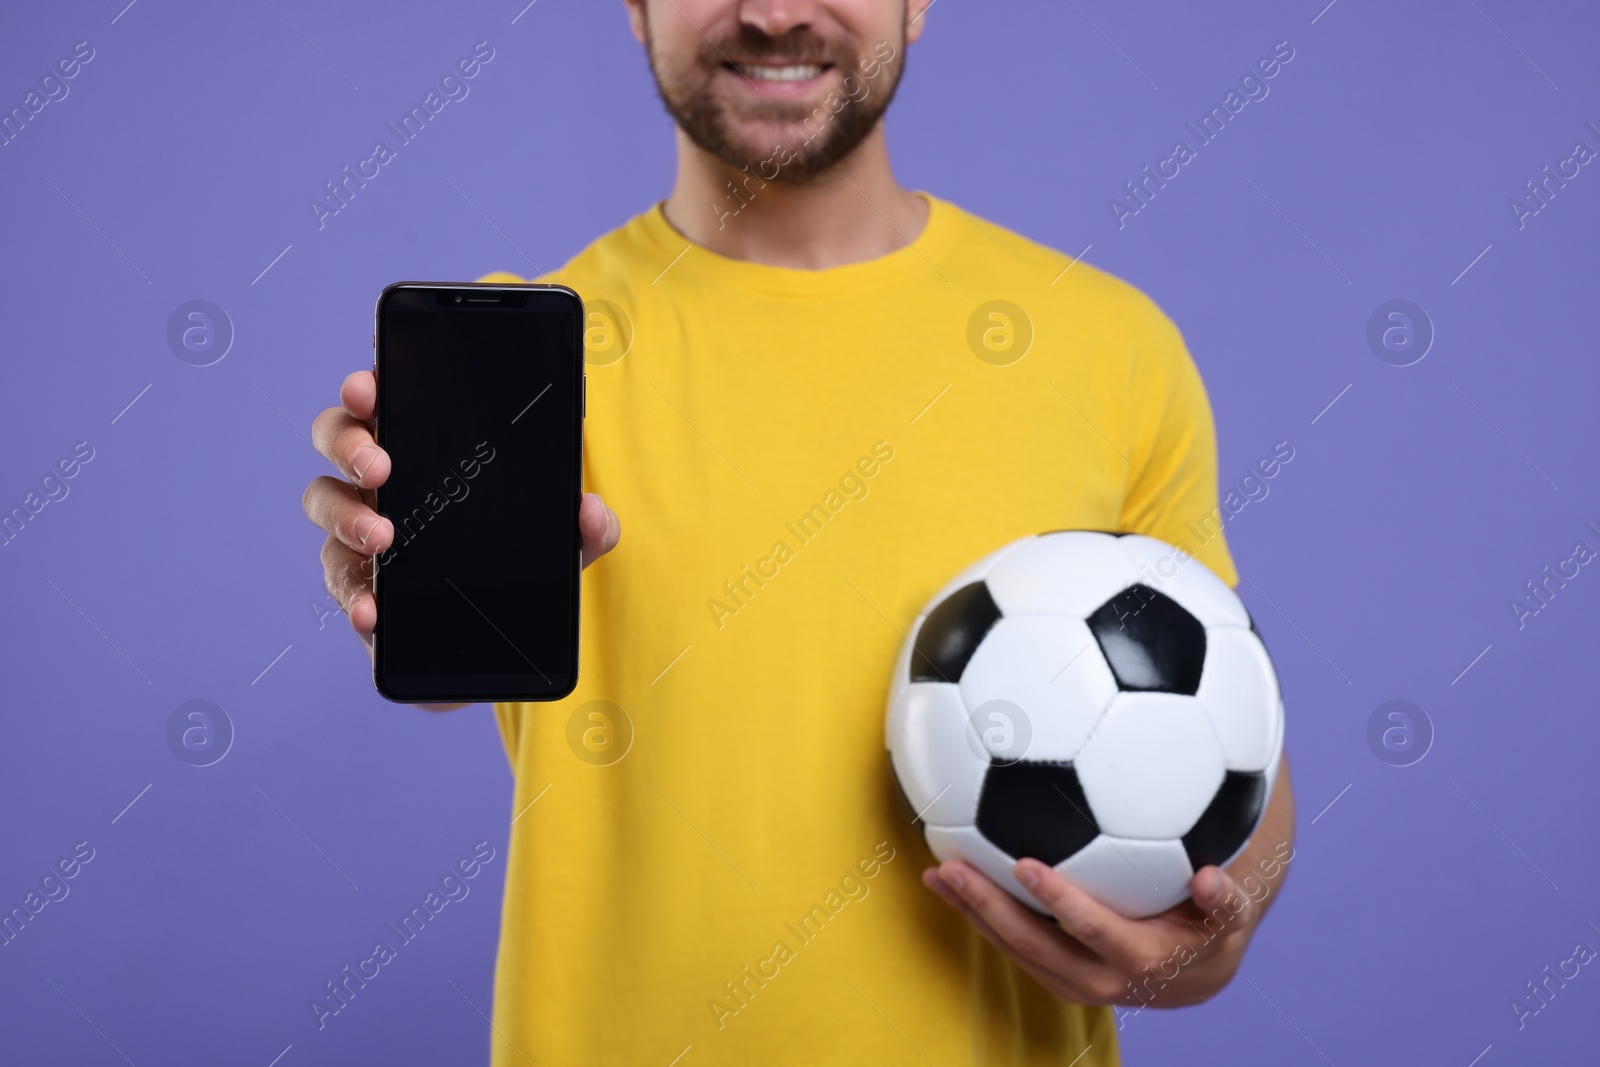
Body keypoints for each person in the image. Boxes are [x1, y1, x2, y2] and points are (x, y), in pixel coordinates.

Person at [302, 1, 1296, 1062]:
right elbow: (452, 659)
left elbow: (1224, 739)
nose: (773, 11)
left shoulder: (1109, 347)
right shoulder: (534, 370)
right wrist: (402, 595)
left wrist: (1205, 937)